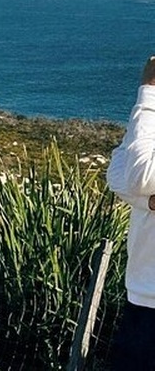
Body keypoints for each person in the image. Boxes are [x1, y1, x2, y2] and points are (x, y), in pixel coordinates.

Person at [107, 55, 155, 369]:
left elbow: (138, 176)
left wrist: (149, 89)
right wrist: (148, 202)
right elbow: (116, 175)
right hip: (143, 292)